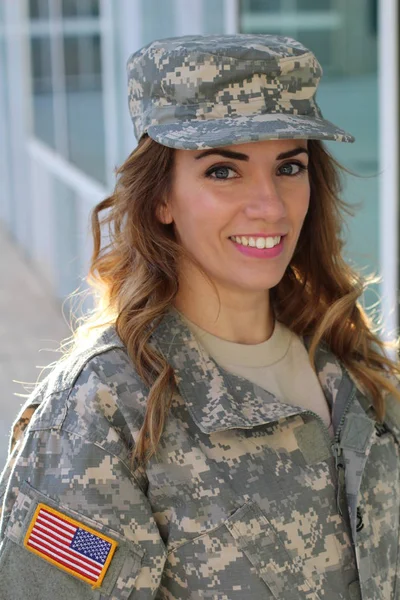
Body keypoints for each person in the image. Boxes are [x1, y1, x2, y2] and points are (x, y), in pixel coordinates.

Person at [0, 33, 399, 600]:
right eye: (222, 171)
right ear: (161, 197)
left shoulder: (356, 366)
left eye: (289, 166)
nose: (270, 205)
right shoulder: (105, 411)